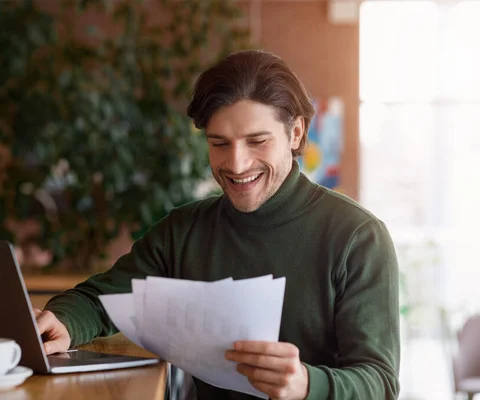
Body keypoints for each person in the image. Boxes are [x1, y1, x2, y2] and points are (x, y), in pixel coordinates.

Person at [35, 49, 400, 400]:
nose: (237, 164)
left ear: (296, 134)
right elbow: (103, 299)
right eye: (219, 143)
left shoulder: (358, 237)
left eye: (256, 141)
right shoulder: (185, 230)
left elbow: (380, 383)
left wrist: (307, 384)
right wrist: (64, 322)